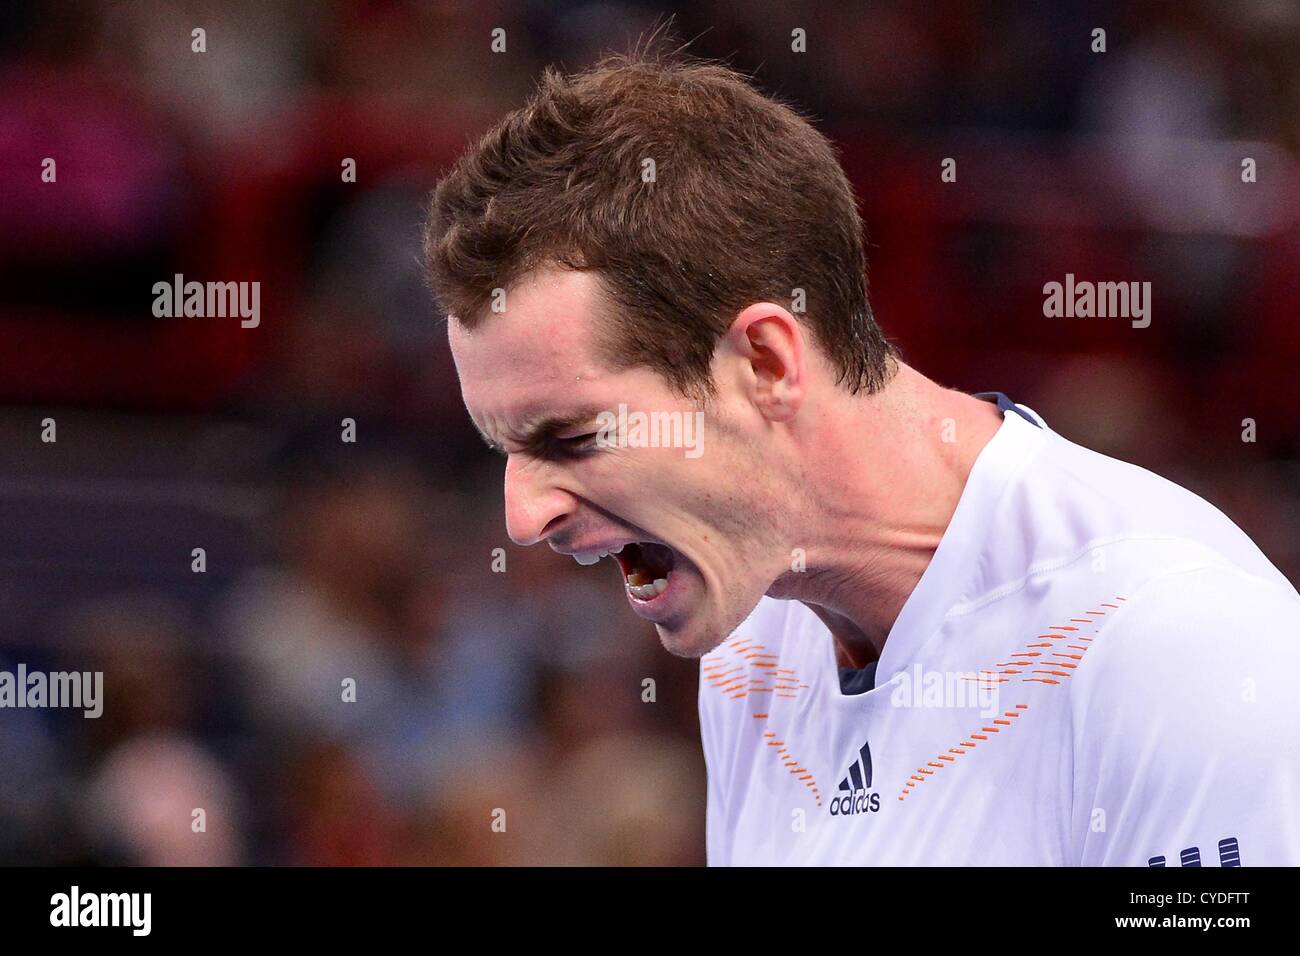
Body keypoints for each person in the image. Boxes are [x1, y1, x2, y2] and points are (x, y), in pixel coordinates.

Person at [422, 45, 1300, 865]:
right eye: (502, 447)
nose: (522, 517)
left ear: (765, 364)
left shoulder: (1175, 643)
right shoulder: (753, 640)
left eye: (572, 437)